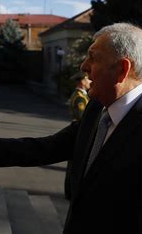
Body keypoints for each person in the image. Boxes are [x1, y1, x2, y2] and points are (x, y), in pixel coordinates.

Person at [0, 23, 142, 233]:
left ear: (122, 70)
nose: (83, 66)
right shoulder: (98, 107)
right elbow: (48, 148)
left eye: (93, 58)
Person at [64, 71, 91, 199]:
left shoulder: (81, 94)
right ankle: (70, 191)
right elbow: (82, 117)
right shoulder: (80, 97)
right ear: (82, 81)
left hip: (76, 130)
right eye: (87, 79)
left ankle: (70, 190)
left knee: (73, 163)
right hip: (78, 131)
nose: (90, 81)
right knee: (74, 163)